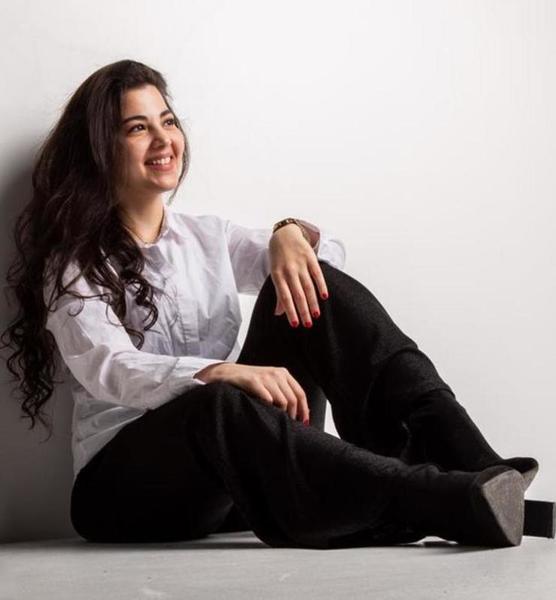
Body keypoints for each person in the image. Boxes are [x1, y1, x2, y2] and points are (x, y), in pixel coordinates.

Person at [1, 59, 539, 549]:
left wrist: (287, 233)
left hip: (231, 482)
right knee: (216, 401)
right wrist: (218, 372)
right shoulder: (75, 261)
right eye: (138, 128)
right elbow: (108, 367)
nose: (164, 140)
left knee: (311, 283)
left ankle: (476, 464)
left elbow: (330, 267)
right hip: (123, 494)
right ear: (101, 147)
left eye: (168, 121)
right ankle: (441, 497)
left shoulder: (208, 236)